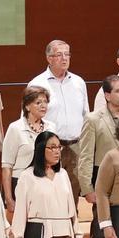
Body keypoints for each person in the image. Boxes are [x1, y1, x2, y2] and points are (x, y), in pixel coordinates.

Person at [79, 76, 119, 238]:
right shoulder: (93, 119)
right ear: (107, 95)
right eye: (118, 91)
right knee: (100, 233)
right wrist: (87, 187)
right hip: (102, 178)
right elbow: (86, 155)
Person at [29, 39, 88, 197]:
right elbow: (29, 119)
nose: (64, 58)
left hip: (77, 147)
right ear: (49, 58)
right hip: (51, 148)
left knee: (74, 193)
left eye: (67, 54)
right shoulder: (37, 84)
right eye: (59, 55)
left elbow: (86, 115)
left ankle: (72, 221)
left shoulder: (78, 82)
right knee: (52, 192)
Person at [1, 87, 55, 213]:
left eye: (45, 102)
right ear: (27, 107)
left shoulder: (51, 127)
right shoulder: (15, 128)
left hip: (45, 184)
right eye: (38, 103)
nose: (43, 106)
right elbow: (7, 166)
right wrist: (9, 198)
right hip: (20, 185)